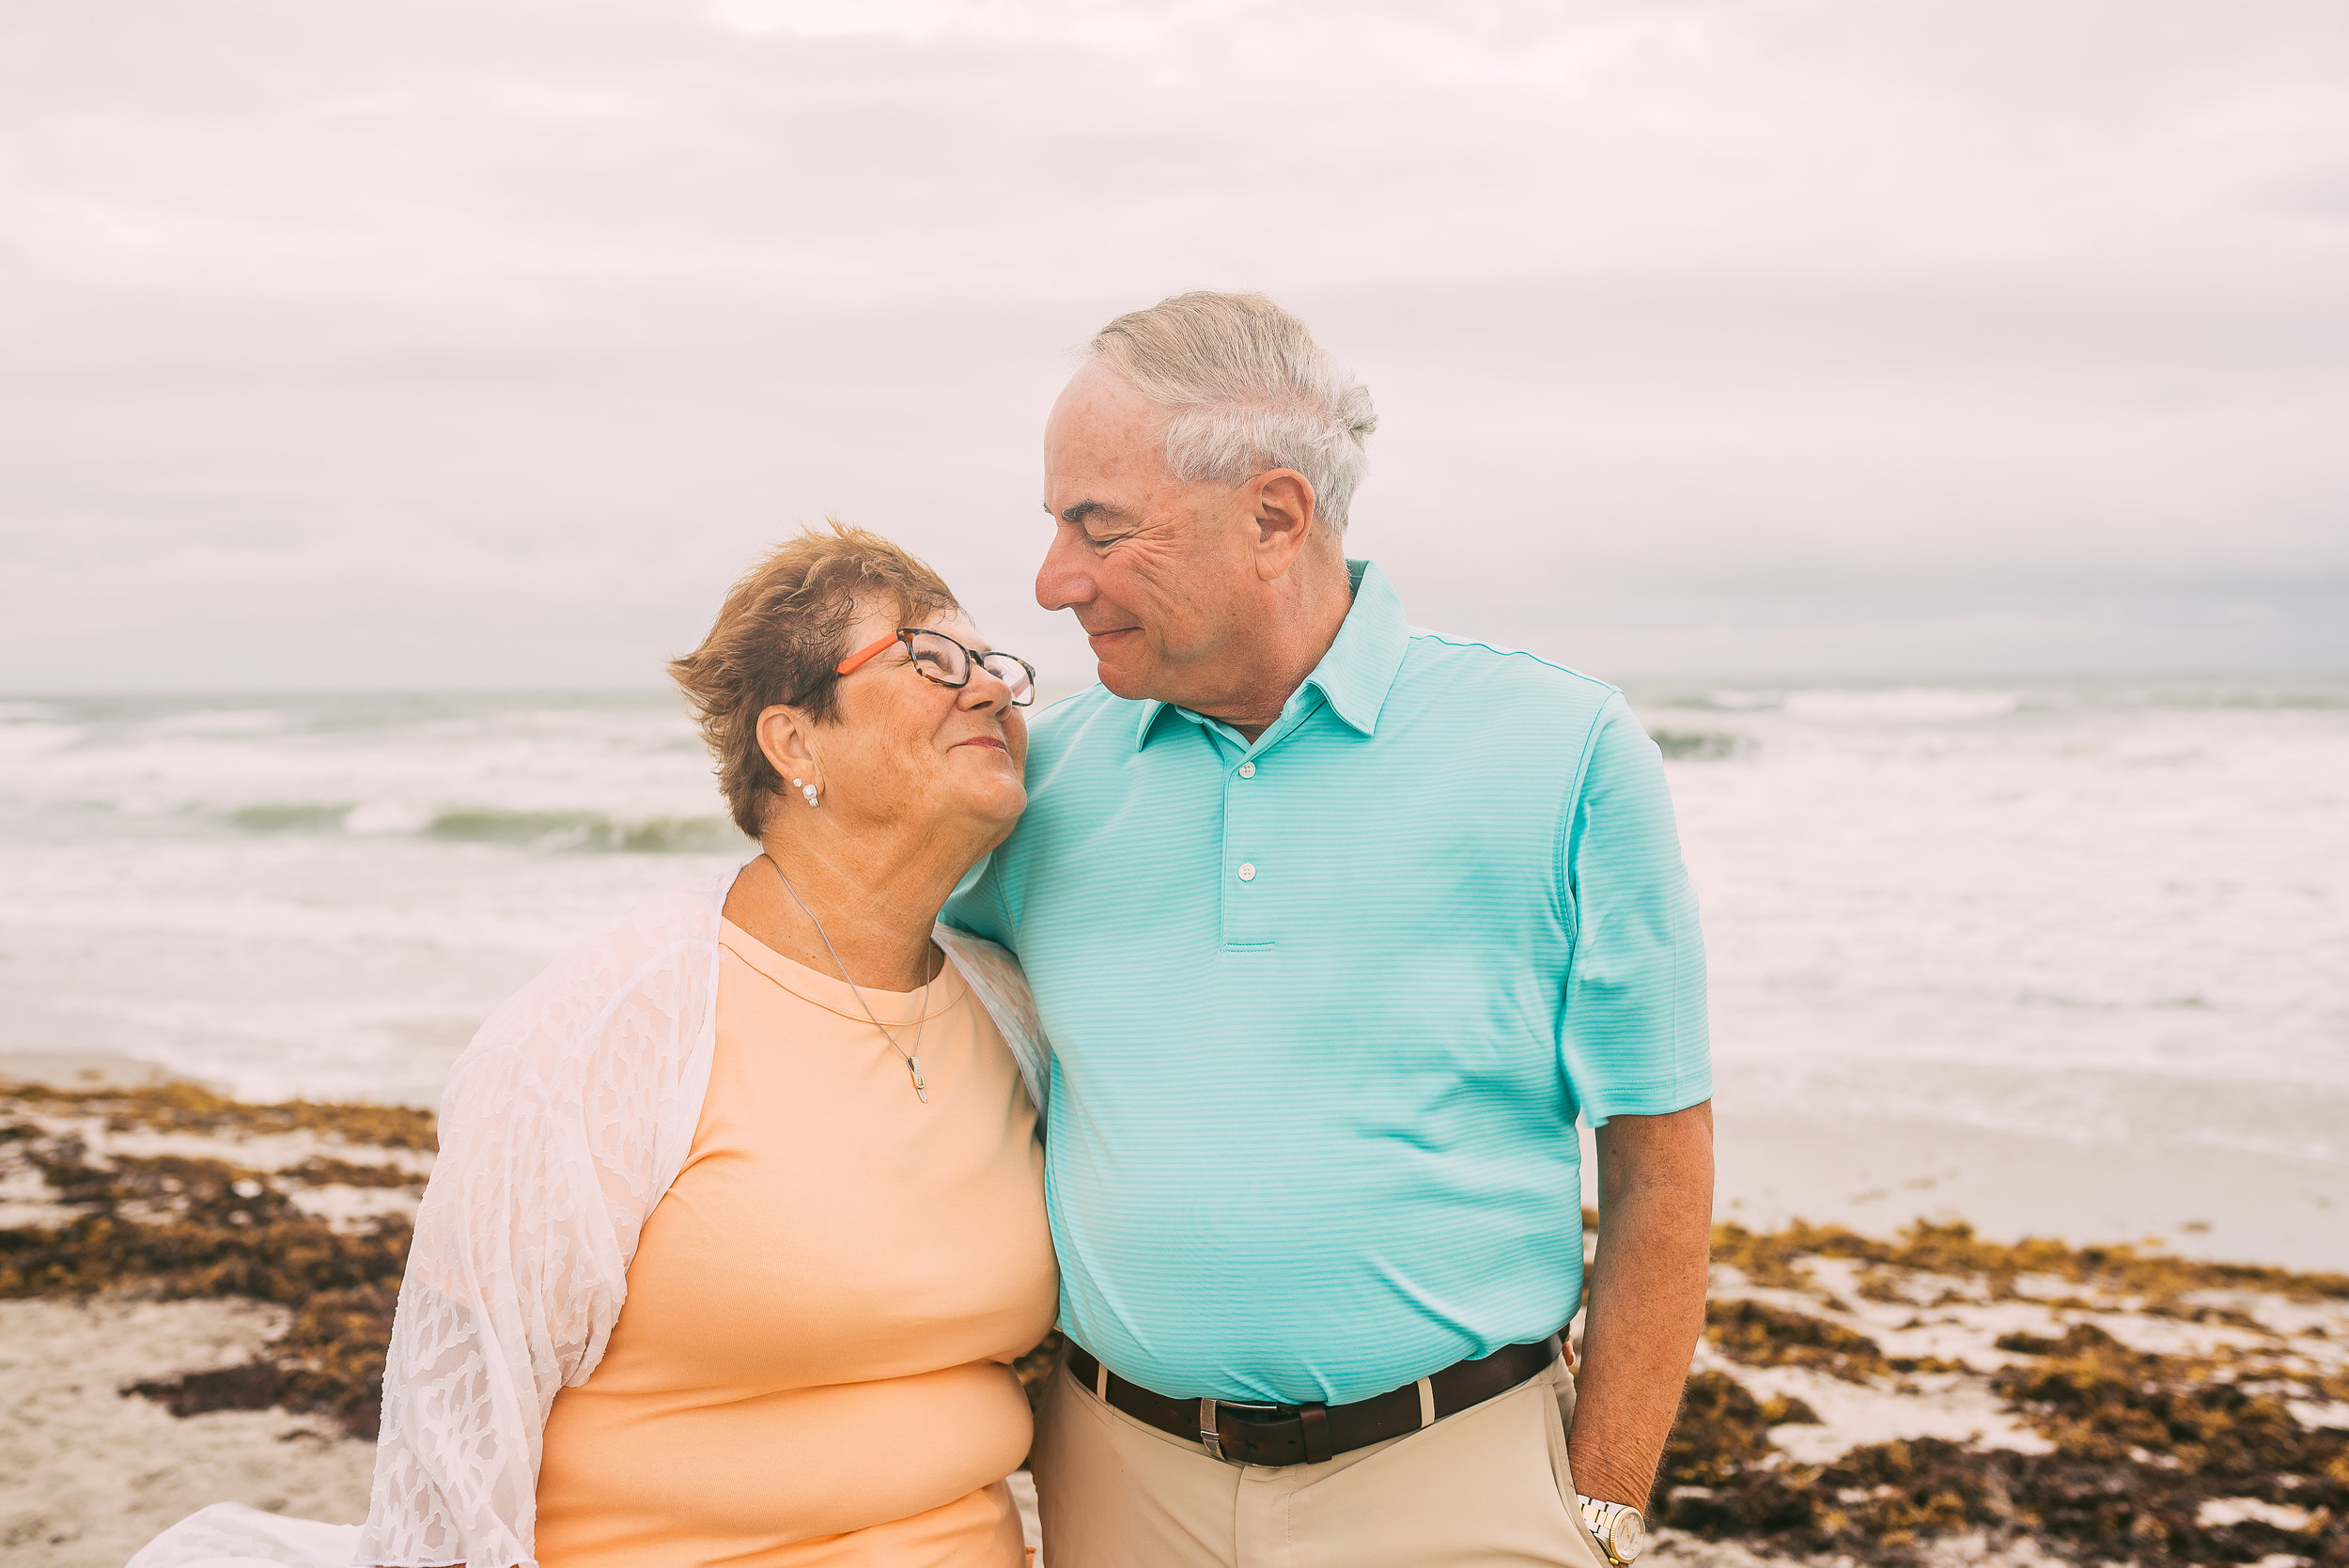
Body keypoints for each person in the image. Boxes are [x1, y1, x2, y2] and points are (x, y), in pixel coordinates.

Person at [943, 292, 1716, 1568]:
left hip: (1457, 1485)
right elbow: (867, 997)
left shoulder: (1564, 752)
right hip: (1115, 1487)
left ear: (1274, 517)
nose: (1052, 580)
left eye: (1100, 527)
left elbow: (1659, 1160)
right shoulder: (1040, 785)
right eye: (1055, 527)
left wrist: (1605, 1502)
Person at [131, 524, 1058, 1568]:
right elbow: (455, 1431)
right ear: (793, 742)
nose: (987, 691)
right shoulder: (611, 1028)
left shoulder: (1012, 1010)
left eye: (995, 665)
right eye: (929, 659)